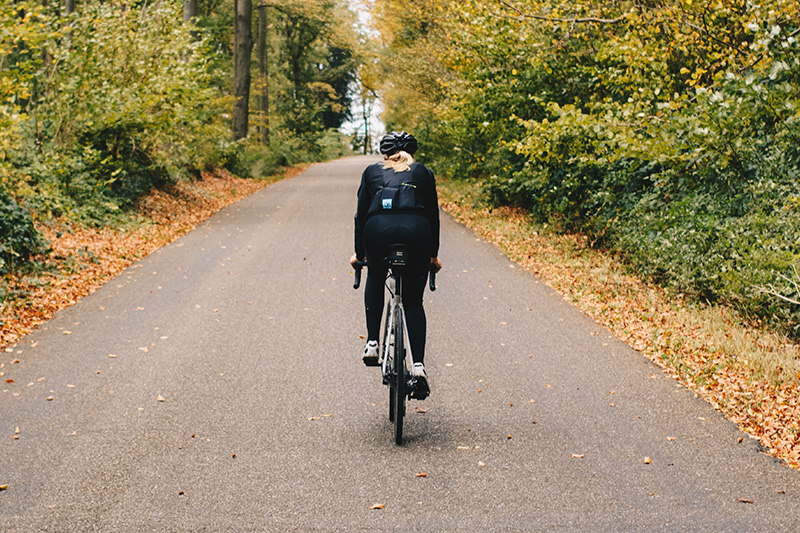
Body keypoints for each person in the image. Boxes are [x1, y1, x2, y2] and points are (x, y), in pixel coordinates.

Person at [350, 131, 442, 398]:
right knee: (413, 301)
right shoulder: (423, 172)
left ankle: (371, 343)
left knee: (377, 277)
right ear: (413, 153)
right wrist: (432, 255)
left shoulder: (371, 172)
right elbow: (433, 216)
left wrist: (359, 254)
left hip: (377, 231)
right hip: (418, 232)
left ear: (384, 154)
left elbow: (360, 214)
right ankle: (418, 366)